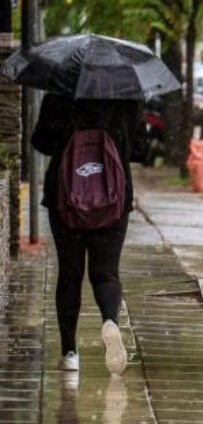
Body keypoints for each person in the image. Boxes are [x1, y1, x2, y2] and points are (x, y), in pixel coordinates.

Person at [31, 93, 142, 375]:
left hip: (66, 196)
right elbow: (140, 150)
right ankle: (110, 321)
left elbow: (40, 142)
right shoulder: (127, 96)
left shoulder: (60, 94)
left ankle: (70, 353)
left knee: (70, 273)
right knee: (106, 273)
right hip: (114, 198)